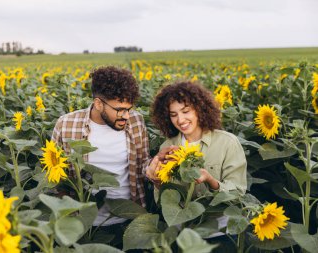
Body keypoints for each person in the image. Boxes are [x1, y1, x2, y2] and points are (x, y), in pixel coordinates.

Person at [51, 66, 150, 246]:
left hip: (129, 220)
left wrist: (156, 166)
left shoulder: (136, 121)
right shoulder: (66, 125)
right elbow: (58, 178)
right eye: (120, 109)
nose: (126, 116)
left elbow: (143, 163)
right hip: (83, 225)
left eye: (129, 108)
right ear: (98, 104)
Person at [146, 81, 247, 252]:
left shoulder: (227, 142)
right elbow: (163, 200)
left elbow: (238, 192)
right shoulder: (168, 147)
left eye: (186, 111)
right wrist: (156, 181)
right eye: (173, 114)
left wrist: (210, 180)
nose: (180, 120)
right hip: (183, 234)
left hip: (219, 234)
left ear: (200, 108)